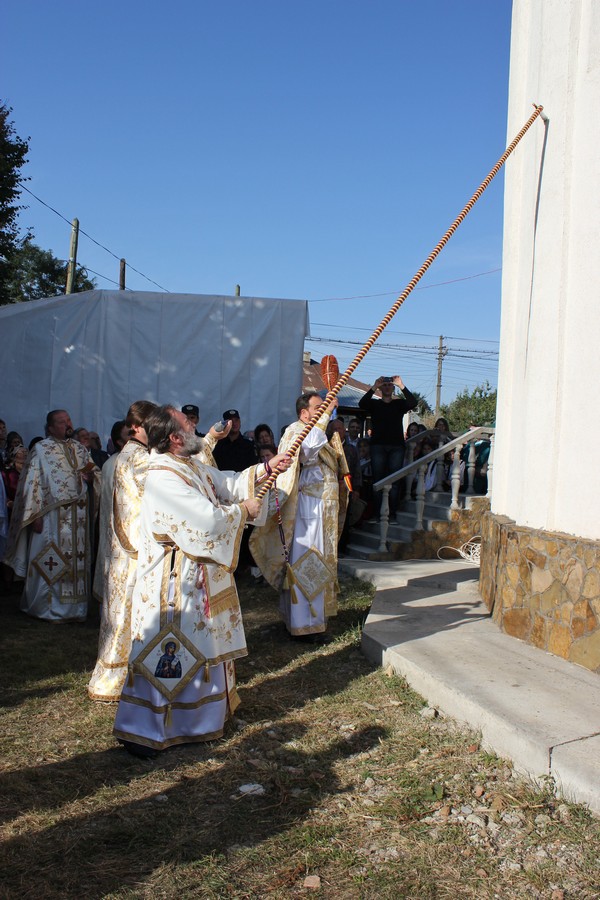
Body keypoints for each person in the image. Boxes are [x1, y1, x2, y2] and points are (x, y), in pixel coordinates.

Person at [113, 404, 290, 757]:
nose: (195, 428)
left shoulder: (189, 465)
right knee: (171, 650)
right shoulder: (163, 477)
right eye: (187, 424)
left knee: (202, 643)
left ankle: (200, 719)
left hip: (198, 576)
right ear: (175, 439)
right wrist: (242, 511)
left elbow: (226, 482)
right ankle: (148, 729)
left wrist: (267, 468)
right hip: (173, 584)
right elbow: (206, 521)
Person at [250, 392, 339, 641]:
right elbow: (306, 452)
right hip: (307, 510)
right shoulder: (295, 431)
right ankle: (306, 623)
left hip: (318, 509)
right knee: (308, 562)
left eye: (324, 407)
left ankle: (312, 619)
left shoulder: (313, 429)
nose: (323, 410)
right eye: (319, 407)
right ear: (304, 413)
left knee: (318, 562)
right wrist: (324, 418)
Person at [88, 403, 157, 701]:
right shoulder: (140, 459)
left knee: (119, 615)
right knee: (129, 613)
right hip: (135, 549)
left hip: (120, 547)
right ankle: (121, 677)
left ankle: (114, 674)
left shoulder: (124, 456)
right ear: (138, 427)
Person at [4, 409, 99, 622]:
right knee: (51, 560)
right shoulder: (41, 450)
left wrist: (92, 478)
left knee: (76, 562)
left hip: (78, 520)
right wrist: (34, 515)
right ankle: (46, 607)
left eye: (69, 420)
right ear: (50, 428)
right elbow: (32, 485)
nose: (68, 424)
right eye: (62, 422)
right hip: (52, 518)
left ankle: (76, 609)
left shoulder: (80, 449)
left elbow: (96, 475)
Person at [358, 375, 418, 520]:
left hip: (396, 447)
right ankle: (376, 513)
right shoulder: (375, 404)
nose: (386, 387)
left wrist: (401, 385)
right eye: (384, 385)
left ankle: (392, 514)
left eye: (389, 385)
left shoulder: (399, 404)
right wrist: (374, 386)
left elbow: (413, 402)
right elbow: (362, 403)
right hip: (378, 446)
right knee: (378, 480)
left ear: (392, 388)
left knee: (395, 481)